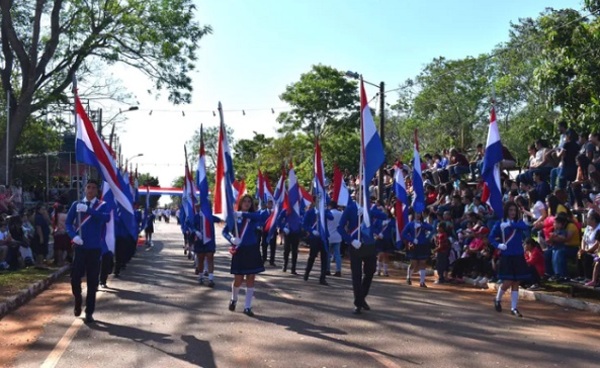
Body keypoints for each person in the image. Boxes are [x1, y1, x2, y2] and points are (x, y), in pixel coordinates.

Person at [66, 179, 110, 323]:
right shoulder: (76, 204)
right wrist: (74, 236)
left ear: (97, 191)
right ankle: (78, 299)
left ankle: (89, 311)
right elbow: (68, 224)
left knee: (92, 281)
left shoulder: (101, 205)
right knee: (75, 277)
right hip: (80, 247)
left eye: (93, 188)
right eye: (88, 187)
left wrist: (89, 210)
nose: (90, 190)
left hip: (94, 249)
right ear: (85, 189)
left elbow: (106, 218)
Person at [337, 199, 387, 314]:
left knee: (370, 271)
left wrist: (370, 211)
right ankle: (358, 303)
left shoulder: (369, 209)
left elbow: (384, 216)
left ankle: (361, 297)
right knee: (357, 275)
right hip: (356, 245)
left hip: (369, 245)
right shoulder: (350, 208)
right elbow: (340, 227)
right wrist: (351, 240)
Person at [223, 195, 268, 317]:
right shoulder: (233, 216)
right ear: (240, 203)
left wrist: (243, 214)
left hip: (252, 249)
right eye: (245, 201)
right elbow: (224, 231)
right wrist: (231, 238)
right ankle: (234, 298)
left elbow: (260, 216)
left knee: (251, 278)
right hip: (240, 250)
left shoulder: (253, 216)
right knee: (238, 280)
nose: (247, 203)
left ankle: (247, 307)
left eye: (249, 202)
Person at [489, 201, 531, 317]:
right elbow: (491, 237)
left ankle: (514, 307)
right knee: (508, 281)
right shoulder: (500, 223)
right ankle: (497, 299)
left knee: (516, 281)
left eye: (514, 210)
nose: (513, 212)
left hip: (518, 254)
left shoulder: (518, 222)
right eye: (510, 210)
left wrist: (511, 225)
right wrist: (498, 245)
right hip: (507, 254)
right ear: (506, 211)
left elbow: (525, 226)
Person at [303, 199, 333, 286]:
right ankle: (307, 272)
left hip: (324, 238)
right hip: (315, 237)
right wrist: (312, 230)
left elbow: (331, 217)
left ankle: (322, 278)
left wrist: (323, 212)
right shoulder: (310, 212)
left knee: (325, 258)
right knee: (312, 257)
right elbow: (304, 224)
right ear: (315, 202)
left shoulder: (325, 211)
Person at [401, 211, 435, 287]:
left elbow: (431, 228)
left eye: (419, 214)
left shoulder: (423, 224)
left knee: (423, 263)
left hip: (423, 245)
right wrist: (412, 239)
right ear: (414, 215)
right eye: (416, 214)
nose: (418, 215)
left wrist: (422, 225)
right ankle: (408, 277)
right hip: (414, 245)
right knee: (414, 263)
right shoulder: (410, 224)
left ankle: (422, 282)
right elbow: (403, 234)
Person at [326, 201, 343, 277]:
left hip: (329, 235)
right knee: (337, 254)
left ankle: (327, 270)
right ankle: (338, 270)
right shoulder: (341, 214)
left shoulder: (329, 213)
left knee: (328, 254)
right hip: (338, 235)